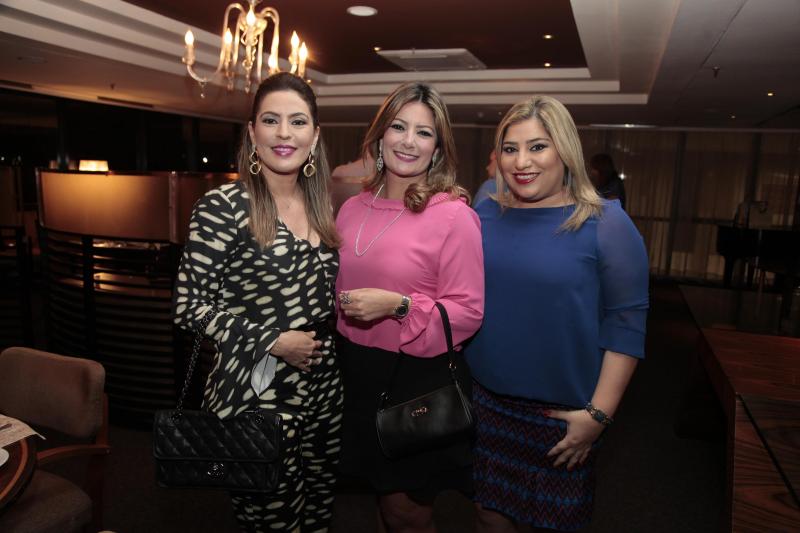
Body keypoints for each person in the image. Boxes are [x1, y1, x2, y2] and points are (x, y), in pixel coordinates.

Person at [466, 96, 649, 532]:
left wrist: (598, 416)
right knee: (489, 515)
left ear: (565, 150)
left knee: (556, 523)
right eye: (510, 149)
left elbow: (627, 323)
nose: (521, 162)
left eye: (537, 146)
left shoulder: (605, 222)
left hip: (565, 418)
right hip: (487, 405)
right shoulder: (485, 210)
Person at [172, 72, 342, 533]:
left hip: (324, 388)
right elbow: (188, 307)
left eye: (297, 121)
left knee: (318, 513)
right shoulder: (223, 206)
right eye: (271, 120)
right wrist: (273, 340)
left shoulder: (321, 206)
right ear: (252, 132)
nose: (284, 133)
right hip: (257, 390)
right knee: (272, 520)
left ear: (315, 135)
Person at [335, 82, 484, 533]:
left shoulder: (453, 215)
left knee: (407, 513)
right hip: (354, 372)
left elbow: (468, 312)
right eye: (399, 127)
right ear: (380, 136)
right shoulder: (351, 207)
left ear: (437, 148)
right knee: (381, 500)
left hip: (415, 379)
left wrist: (400, 306)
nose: (408, 141)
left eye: (424, 132)